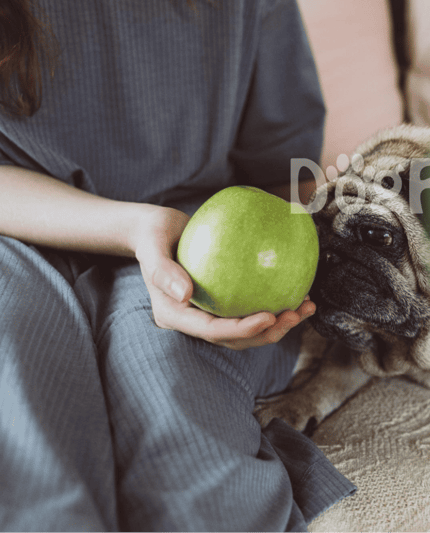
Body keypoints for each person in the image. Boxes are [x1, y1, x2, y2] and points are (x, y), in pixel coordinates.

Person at [0, 1, 354, 531]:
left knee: (184, 435)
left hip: (196, 244)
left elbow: (283, 182)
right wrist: (130, 228)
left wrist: (274, 281)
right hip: (16, 234)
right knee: (23, 437)